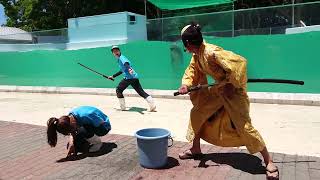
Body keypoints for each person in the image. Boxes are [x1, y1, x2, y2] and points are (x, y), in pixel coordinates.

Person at [177, 23, 279, 180]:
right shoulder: (197, 55)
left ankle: (269, 161)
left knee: (244, 126)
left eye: (185, 46)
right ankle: (195, 149)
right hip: (220, 91)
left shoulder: (212, 52)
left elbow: (240, 63)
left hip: (234, 93)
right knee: (197, 112)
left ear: (188, 43)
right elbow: (192, 72)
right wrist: (186, 85)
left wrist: (231, 84)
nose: (186, 49)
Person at [47, 106, 111, 157]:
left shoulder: (86, 116)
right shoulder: (69, 117)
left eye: (72, 129)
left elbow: (101, 122)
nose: (72, 132)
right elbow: (73, 131)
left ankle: (97, 143)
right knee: (77, 143)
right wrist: (72, 143)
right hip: (89, 124)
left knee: (83, 130)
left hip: (104, 127)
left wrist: (82, 130)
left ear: (72, 122)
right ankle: (86, 141)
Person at [108, 45, 156, 112]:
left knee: (118, 89)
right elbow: (122, 70)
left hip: (129, 78)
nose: (115, 52)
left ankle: (123, 107)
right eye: (114, 51)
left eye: (117, 50)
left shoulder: (122, 58)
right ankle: (152, 105)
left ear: (119, 51)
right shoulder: (120, 59)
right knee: (141, 92)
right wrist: (113, 76)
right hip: (134, 77)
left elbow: (126, 64)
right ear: (112, 53)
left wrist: (129, 69)